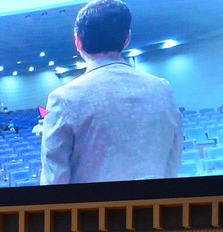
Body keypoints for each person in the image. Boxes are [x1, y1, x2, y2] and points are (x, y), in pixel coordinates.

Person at [40, 0, 182, 185]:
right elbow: (174, 160)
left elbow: (55, 181)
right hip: (156, 210)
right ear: (127, 39)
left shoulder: (63, 98)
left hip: (93, 213)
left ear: (78, 41)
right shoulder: (162, 89)